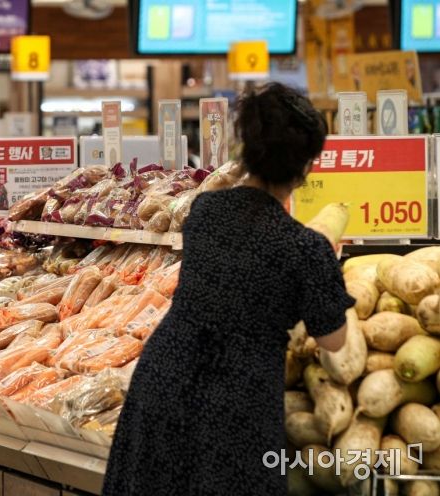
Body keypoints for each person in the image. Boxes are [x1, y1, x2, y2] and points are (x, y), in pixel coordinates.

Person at [102, 83, 354, 496]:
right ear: (306, 166)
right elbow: (334, 339)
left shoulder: (204, 213)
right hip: (237, 395)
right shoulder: (304, 247)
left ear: (248, 149)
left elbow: (215, 194)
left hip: (165, 374)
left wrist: (239, 168)